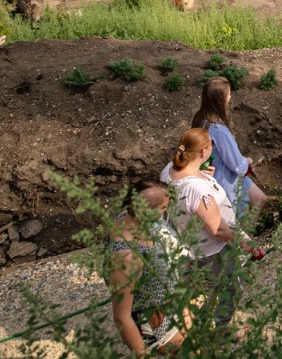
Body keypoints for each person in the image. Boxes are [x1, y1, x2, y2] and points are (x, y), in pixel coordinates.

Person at [164, 128, 254, 328]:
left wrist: (201, 174)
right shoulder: (198, 190)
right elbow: (218, 229)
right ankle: (220, 328)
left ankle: (201, 321)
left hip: (190, 241)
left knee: (213, 286)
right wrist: (247, 244)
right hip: (214, 247)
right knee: (230, 287)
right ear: (204, 153)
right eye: (211, 146)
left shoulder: (170, 169)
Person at [107, 180, 188, 356]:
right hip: (158, 321)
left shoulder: (129, 217)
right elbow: (122, 317)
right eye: (162, 208)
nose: (165, 212)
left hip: (169, 303)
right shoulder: (126, 258)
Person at [191, 77, 268, 221]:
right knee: (239, 216)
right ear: (220, 100)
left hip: (216, 172)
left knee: (260, 198)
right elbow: (237, 166)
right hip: (225, 179)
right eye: (228, 94)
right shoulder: (219, 130)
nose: (230, 97)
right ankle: (244, 240)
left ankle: (247, 238)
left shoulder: (201, 119)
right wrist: (248, 160)